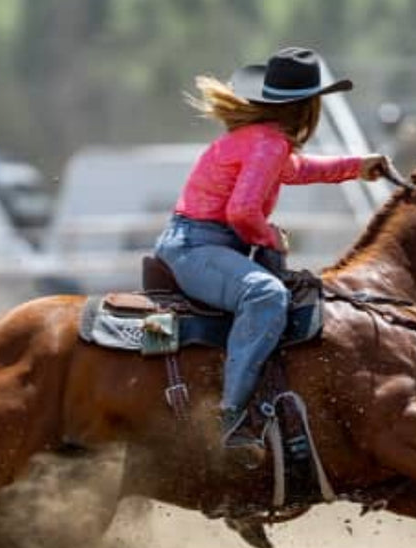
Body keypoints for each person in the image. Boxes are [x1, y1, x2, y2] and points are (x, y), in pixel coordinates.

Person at [154, 46, 388, 452]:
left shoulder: (260, 140)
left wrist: (357, 165)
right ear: (307, 108)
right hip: (197, 245)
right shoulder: (269, 144)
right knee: (265, 294)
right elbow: (242, 212)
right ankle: (231, 417)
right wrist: (270, 237)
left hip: (193, 242)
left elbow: (299, 170)